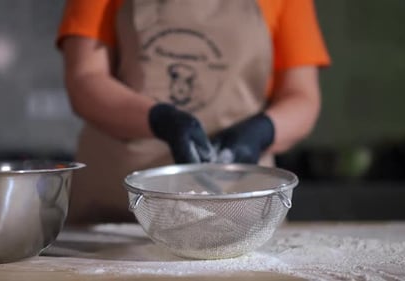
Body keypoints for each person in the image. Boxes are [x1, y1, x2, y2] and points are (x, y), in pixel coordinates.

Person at [57, 0, 330, 224]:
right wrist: (159, 119)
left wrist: (261, 132)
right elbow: (85, 78)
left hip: (239, 208)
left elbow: (302, 97)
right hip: (116, 211)